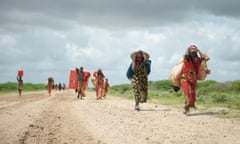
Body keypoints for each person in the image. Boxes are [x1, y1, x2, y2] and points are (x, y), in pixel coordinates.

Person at [181, 45, 204, 114]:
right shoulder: (187, 58)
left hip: (193, 79)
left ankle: (187, 107)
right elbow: (186, 54)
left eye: (194, 51)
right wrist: (189, 49)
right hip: (185, 79)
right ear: (189, 51)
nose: (193, 52)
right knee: (187, 93)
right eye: (192, 51)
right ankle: (187, 107)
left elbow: (203, 57)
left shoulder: (197, 60)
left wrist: (198, 49)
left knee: (192, 94)